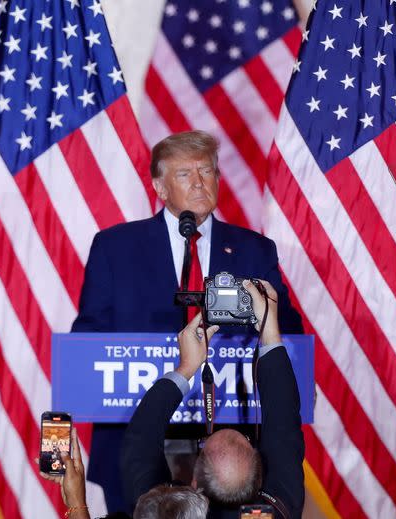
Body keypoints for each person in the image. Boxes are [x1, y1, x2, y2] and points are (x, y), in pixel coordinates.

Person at [71, 130, 304, 512]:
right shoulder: (115, 247)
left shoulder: (255, 249)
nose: (199, 182)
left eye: (207, 171)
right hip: (137, 439)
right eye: (185, 174)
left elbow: (288, 331)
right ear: (160, 187)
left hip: (230, 454)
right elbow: (87, 340)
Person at [121, 280, 305, 518]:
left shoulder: (160, 510)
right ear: (259, 478)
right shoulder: (280, 510)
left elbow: (139, 443)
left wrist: (186, 367)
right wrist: (269, 330)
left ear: (195, 483)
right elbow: (284, 424)